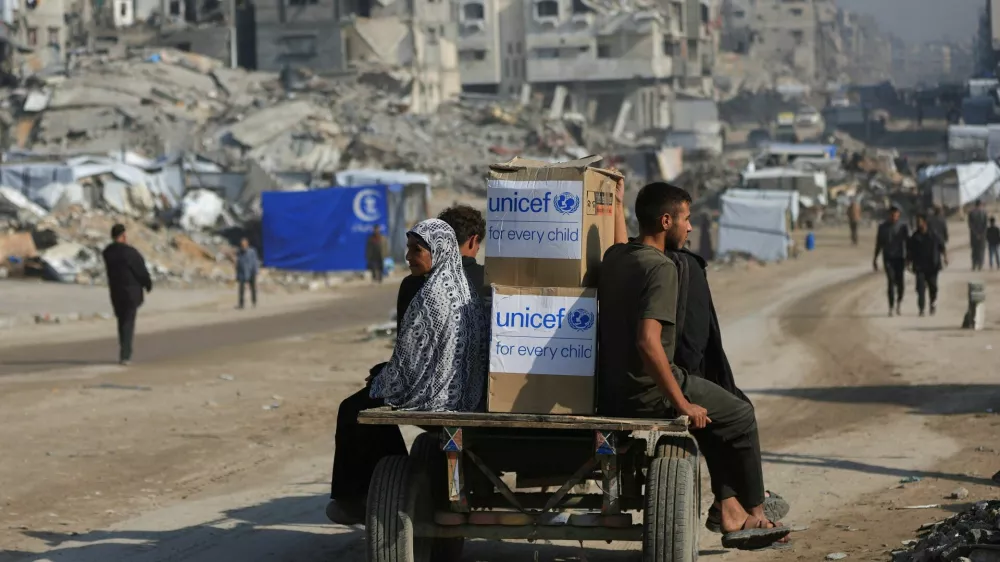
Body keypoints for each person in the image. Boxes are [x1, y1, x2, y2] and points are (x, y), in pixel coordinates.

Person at [598, 182, 791, 550]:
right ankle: (754, 510)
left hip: (611, 389)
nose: (690, 228)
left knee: (720, 406)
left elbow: (626, 243)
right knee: (741, 414)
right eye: (686, 220)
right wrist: (682, 403)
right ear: (667, 220)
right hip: (649, 391)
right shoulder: (663, 269)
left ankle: (730, 506)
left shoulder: (616, 257)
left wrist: (622, 207)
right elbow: (647, 342)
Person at [327, 213, 489, 526]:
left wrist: (385, 375)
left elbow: (411, 356)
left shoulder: (425, 290)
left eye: (417, 250)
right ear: (472, 243)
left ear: (440, 249)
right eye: (410, 248)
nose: (409, 257)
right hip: (470, 388)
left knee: (356, 408)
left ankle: (366, 494)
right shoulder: (482, 282)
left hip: (438, 391)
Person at [102, 224, 153, 365]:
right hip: (131, 292)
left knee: (121, 322)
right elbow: (140, 270)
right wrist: (148, 284)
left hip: (116, 292)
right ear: (123, 235)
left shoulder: (107, 253)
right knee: (128, 322)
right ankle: (126, 355)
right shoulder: (130, 253)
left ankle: (124, 351)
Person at [907, 214, 948, 317]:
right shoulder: (915, 237)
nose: (918, 224)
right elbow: (910, 251)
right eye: (917, 222)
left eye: (919, 222)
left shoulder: (933, 235)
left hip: (932, 265)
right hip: (919, 266)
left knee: (933, 287)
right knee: (920, 288)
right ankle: (921, 308)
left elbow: (942, 246)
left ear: (925, 223)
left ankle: (932, 302)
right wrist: (907, 262)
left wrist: (945, 257)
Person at [873, 205, 909, 317]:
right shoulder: (882, 227)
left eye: (896, 214)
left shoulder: (903, 227)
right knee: (890, 282)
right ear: (889, 215)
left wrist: (909, 257)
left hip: (900, 258)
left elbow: (908, 243)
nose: (894, 216)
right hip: (888, 258)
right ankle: (891, 306)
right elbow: (879, 243)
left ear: (899, 215)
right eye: (892, 214)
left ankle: (899, 302)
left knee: (900, 283)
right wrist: (875, 258)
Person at [235, 237, 260, 309]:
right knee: (241, 289)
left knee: (252, 288)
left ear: (247, 244)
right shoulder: (239, 252)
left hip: (251, 272)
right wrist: (237, 274)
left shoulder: (252, 252)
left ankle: (254, 301)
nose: (243, 246)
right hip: (242, 273)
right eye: (242, 245)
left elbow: (255, 262)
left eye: (244, 244)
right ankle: (241, 304)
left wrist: (256, 272)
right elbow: (238, 263)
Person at [968, 200, 989, 271]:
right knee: (981, 250)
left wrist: (976, 233)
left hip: (973, 235)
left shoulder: (971, 213)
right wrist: (981, 233)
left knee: (974, 250)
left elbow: (970, 225)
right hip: (982, 235)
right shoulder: (984, 213)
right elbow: (985, 225)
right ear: (980, 204)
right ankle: (980, 264)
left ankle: (974, 264)